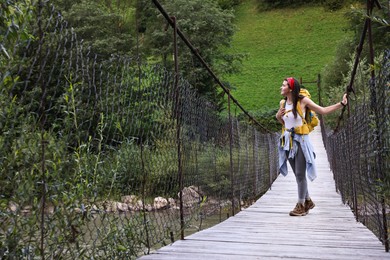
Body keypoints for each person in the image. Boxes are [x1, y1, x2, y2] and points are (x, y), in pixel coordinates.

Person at [275, 77, 347, 216]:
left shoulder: (303, 101)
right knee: (297, 175)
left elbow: (323, 111)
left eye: (283, 85)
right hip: (288, 142)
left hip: (301, 141)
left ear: (290, 88)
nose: (281, 87)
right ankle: (308, 201)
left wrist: (341, 104)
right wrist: (278, 116)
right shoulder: (283, 102)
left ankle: (301, 205)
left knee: (301, 174)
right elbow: (285, 123)